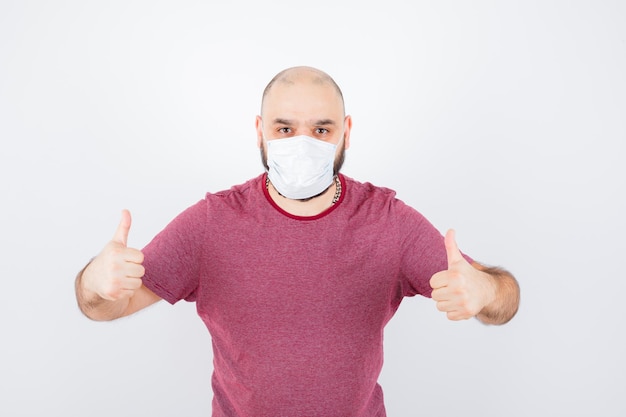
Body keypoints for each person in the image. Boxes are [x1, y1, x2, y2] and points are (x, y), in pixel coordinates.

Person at [75, 66, 520, 417]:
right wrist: (95, 281)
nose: (302, 145)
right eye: (285, 129)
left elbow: (503, 301)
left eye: (321, 130)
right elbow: (104, 306)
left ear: (346, 130)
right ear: (259, 130)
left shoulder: (387, 220)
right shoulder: (212, 223)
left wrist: (485, 290)